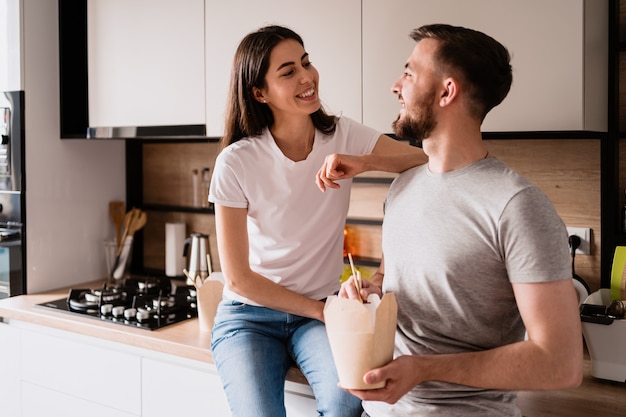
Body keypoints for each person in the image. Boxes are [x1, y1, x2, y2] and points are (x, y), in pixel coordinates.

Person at [337, 24, 583, 417]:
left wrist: (424, 371)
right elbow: (391, 282)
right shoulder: (402, 188)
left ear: (447, 91)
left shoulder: (516, 206)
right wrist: (369, 295)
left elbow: (561, 362)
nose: (395, 86)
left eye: (410, 73)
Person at [208, 25, 427, 417]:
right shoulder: (236, 162)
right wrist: (321, 310)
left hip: (322, 314)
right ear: (259, 93)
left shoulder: (341, 134)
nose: (307, 77)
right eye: (288, 71)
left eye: (306, 62)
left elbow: (422, 160)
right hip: (249, 317)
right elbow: (238, 279)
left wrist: (365, 161)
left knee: (348, 401)